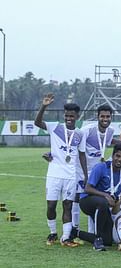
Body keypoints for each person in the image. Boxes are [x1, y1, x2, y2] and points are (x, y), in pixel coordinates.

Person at [35, 93, 83, 247]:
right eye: (67, 115)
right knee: (51, 205)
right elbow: (37, 122)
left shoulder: (79, 134)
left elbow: (81, 157)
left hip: (70, 175)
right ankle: (53, 233)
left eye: (72, 116)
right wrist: (44, 106)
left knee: (67, 205)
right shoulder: (55, 127)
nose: (69, 118)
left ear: (77, 116)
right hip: (54, 173)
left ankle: (66, 237)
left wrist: (86, 176)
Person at [74, 143, 121, 251]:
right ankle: (97, 240)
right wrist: (106, 195)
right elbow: (87, 188)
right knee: (102, 202)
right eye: (117, 156)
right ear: (112, 155)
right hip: (87, 201)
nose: (119, 159)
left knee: (107, 240)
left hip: (105, 206)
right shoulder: (101, 167)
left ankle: (75, 232)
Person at [75, 104, 117, 233]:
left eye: (108, 116)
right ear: (97, 117)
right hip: (82, 170)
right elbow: (79, 148)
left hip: (97, 171)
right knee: (77, 197)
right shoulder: (87, 130)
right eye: (102, 116)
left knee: (94, 200)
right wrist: (85, 175)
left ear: (111, 117)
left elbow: (109, 142)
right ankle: (74, 228)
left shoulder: (110, 131)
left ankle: (92, 231)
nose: (105, 119)